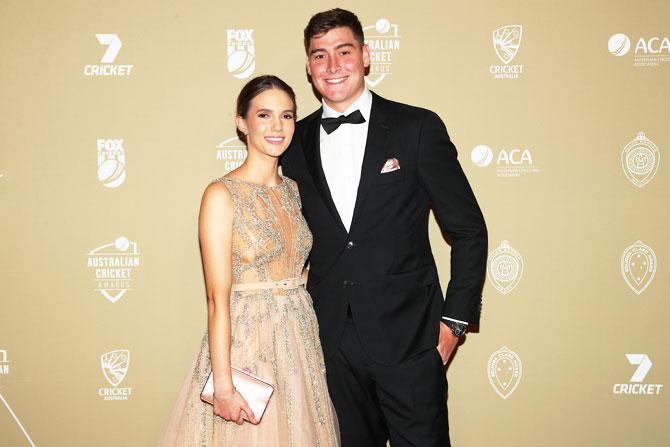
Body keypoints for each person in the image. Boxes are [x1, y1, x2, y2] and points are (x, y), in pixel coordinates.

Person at [280, 8, 488, 447]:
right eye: (320, 56)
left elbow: (469, 229)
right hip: (330, 343)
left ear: (366, 56)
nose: (333, 66)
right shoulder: (292, 142)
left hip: (410, 339)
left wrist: (452, 324)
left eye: (344, 51)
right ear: (308, 67)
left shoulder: (416, 128)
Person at [160, 75, 339, 446]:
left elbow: (298, 267)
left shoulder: (292, 190)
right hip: (247, 342)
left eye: (287, 116)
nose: (277, 126)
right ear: (242, 123)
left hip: (300, 340)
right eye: (264, 115)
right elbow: (217, 298)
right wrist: (223, 385)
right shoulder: (221, 194)